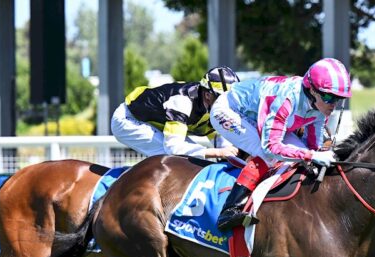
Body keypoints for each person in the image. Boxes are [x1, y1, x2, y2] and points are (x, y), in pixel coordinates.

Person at [210, 58, 351, 231]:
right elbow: (271, 146)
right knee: (267, 154)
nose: (333, 104)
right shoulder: (287, 98)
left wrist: (314, 155)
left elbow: (312, 147)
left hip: (261, 116)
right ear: (313, 90)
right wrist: (312, 155)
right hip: (229, 111)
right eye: (329, 97)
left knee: (303, 154)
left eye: (339, 98)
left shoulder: (321, 107)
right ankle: (229, 210)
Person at [111, 67, 241, 159]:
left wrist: (230, 153)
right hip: (129, 119)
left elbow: (220, 140)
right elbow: (174, 148)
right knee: (178, 159)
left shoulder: (212, 105)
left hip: (156, 122)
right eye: (225, 98)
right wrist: (218, 153)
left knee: (196, 159)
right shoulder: (182, 103)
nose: (228, 104)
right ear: (208, 95)